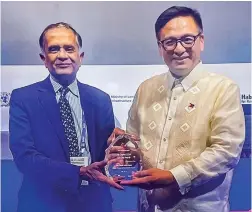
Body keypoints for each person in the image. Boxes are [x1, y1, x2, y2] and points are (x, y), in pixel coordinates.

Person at [109, 6, 245, 212]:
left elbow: (226, 151)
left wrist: (174, 176)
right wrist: (123, 147)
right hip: (149, 206)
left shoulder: (223, 88)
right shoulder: (146, 89)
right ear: (160, 47)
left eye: (187, 39)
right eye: (169, 42)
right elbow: (134, 142)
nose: (179, 49)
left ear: (201, 41)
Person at [9, 22, 123, 212]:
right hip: (43, 203)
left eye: (69, 48)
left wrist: (118, 146)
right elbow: (24, 157)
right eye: (54, 49)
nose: (62, 55)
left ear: (80, 57)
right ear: (44, 59)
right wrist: (77, 172)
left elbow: (105, 154)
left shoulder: (100, 99)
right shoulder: (23, 98)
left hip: (94, 202)